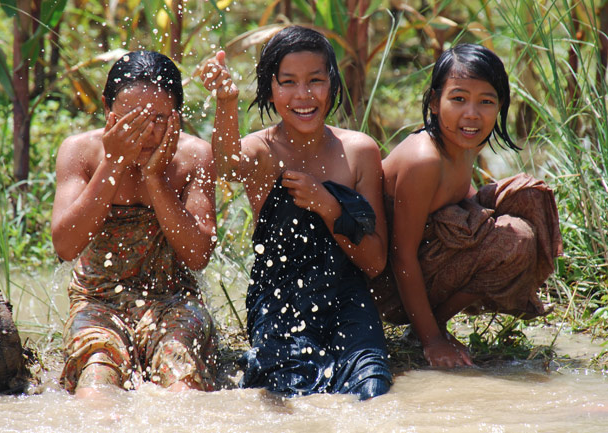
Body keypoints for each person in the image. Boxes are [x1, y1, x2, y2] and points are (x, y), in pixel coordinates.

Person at [201, 26, 392, 400]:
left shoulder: (359, 152)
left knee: (373, 392)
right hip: (278, 301)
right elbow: (226, 165)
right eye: (288, 82)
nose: (303, 95)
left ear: (333, 84)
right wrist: (226, 102)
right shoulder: (262, 151)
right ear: (270, 89)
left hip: (347, 301)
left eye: (315, 81)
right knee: (289, 392)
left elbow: (375, 262)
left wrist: (329, 207)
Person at [369, 44, 563, 368]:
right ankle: (424, 331)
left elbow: (461, 198)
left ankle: (429, 323)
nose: (471, 114)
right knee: (513, 239)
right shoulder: (425, 160)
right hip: (385, 286)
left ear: (500, 106)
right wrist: (433, 342)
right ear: (434, 102)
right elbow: (400, 254)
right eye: (458, 99)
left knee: (527, 195)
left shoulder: (463, 144)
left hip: (421, 261)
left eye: (485, 102)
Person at [51, 50, 218, 397]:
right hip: (97, 301)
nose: (147, 133)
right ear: (106, 110)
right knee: (96, 379)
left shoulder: (194, 156)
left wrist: (156, 178)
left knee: (182, 378)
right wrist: (112, 163)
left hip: (175, 301)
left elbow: (198, 255)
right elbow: (65, 246)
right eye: (131, 118)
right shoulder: (81, 151)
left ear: (178, 116)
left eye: (159, 118)